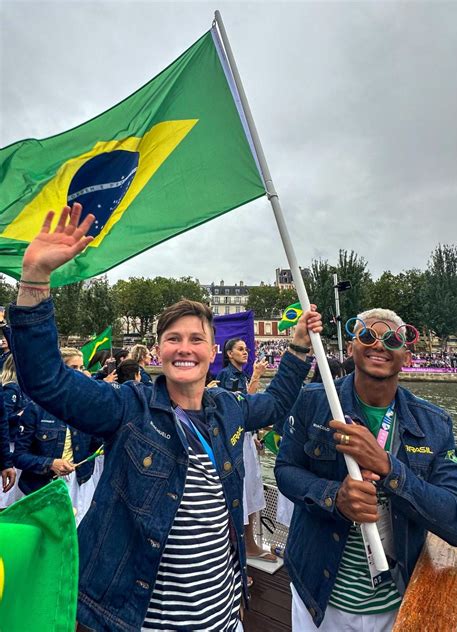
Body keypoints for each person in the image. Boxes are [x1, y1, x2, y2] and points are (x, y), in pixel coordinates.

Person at [8, 203, 322, 632]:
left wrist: (299, 348)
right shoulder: (127, 407)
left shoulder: (228, 408)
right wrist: (34, 281)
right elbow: (47, 380)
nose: (185, 347)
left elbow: (277, 404)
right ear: (158, 353)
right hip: (141, 619)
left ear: (212, 353)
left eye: (197, 338)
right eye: (173, 338)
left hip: (223, 615)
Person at [275, 308, 457, 631]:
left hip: (394, 601)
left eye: (393, 339)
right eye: (367, 336)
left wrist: (390, 470)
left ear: (406, 355)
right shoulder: (313, 402)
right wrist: (333, 496)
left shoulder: (434, 423)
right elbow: (285, 470)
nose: (379, 345)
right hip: (318, 595)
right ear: (351, 348)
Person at [13, 347, 101, 525]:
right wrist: (51, 464)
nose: (80, 373)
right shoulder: (35, 409)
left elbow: (99, 444)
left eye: (81, 367)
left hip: (80, 485)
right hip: (42, 489)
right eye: (73, 368)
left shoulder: (87, 408)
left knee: (75, 540)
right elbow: (19, 457)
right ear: (60, 371)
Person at [217, 339, 275, 562]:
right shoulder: (227, 376)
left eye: (246, 349)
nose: (245, 352)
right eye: (240, 349)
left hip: (246, 438)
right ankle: (240, 546)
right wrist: (257, 375)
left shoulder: (239, 375)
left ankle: (248, 544)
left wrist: (256, 437)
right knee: (240, 492)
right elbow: (242, 407)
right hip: (235, 441)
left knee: (250, 492)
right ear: (229, 353)